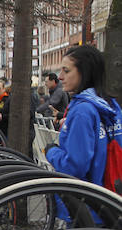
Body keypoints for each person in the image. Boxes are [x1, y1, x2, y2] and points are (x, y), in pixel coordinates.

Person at [46, 45, 122, 187]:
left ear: (84, 72)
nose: (60, 77)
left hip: (84, 199)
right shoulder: (110, 104)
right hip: (109, 192)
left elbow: (74, 167)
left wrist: (51, 151)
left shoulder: (82, 111)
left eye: (66, 71)